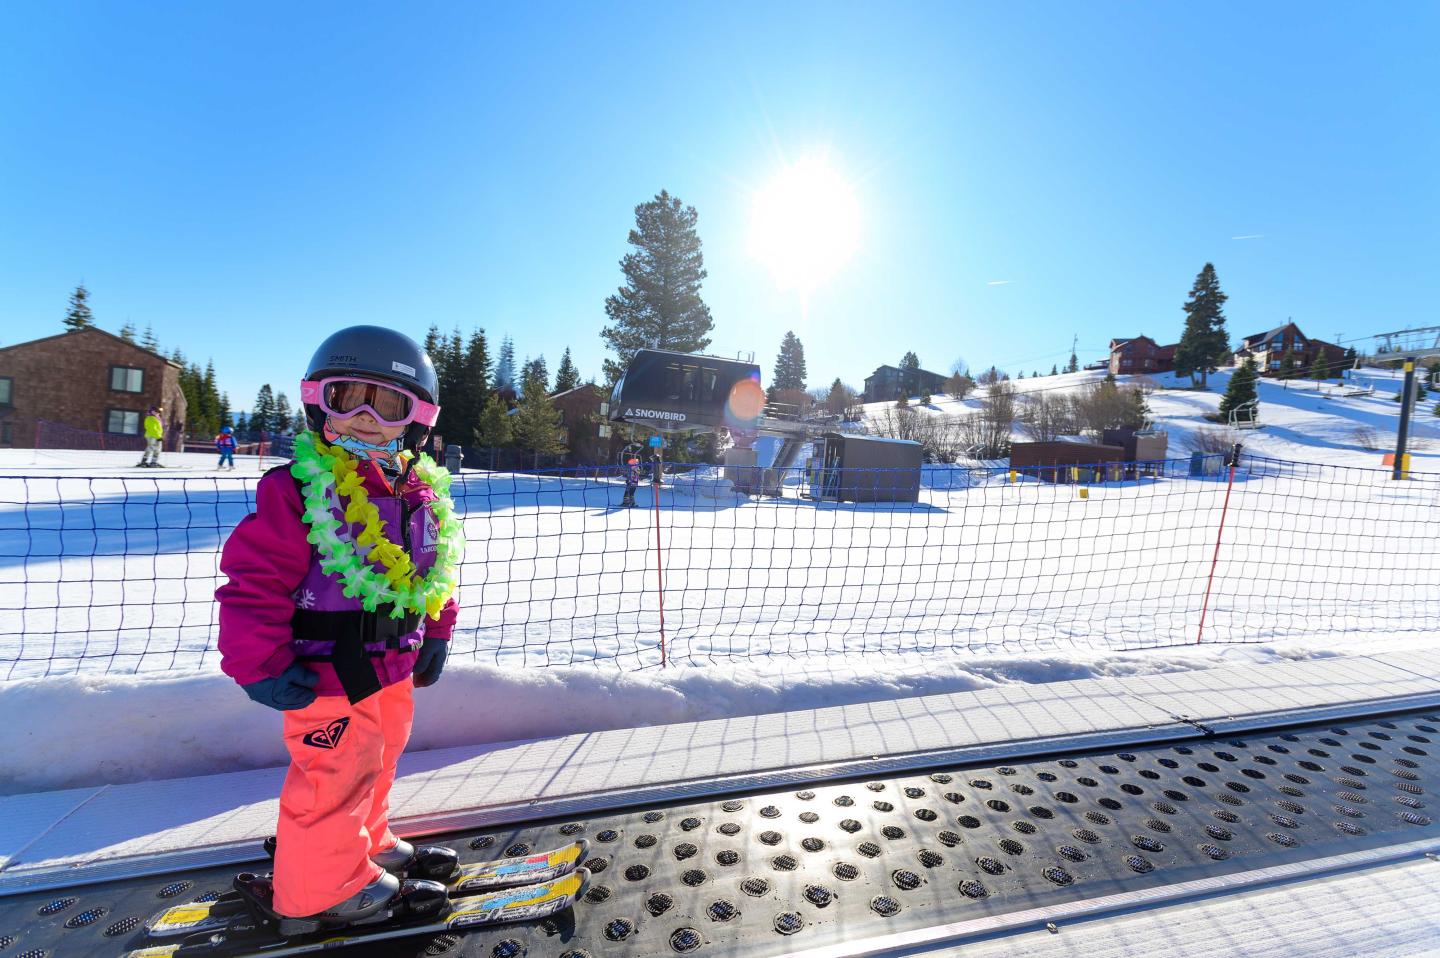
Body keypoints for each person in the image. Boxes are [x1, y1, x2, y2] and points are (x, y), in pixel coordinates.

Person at [216, 326, 462, 934]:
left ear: (417, 419)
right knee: (333, 776)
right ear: (316, 403)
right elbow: (253, 580)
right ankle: (319, 892)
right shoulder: (297, 490)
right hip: (326, 671)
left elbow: (434, 570)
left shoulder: (418, 493)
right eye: (346, 396)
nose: (364, 418)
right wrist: (260, 662)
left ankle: (364, 844)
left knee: (379, 759)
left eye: (387, 404)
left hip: (393, 664)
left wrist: (437, 631)